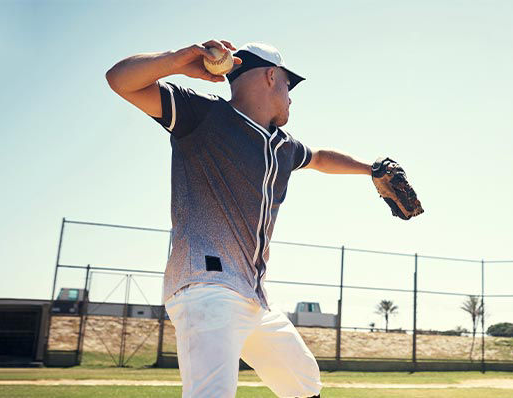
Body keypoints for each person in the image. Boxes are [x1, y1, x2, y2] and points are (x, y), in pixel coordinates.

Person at [106, 39, 376, 398]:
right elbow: (119, 80)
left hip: (253, 296)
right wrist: (178, 61)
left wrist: (372, 170)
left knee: (303, 381)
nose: (291, 95)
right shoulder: (202, 115)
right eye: (288, 83)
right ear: (270, 76)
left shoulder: (283, 146)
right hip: (207, 287)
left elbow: (321, 158)